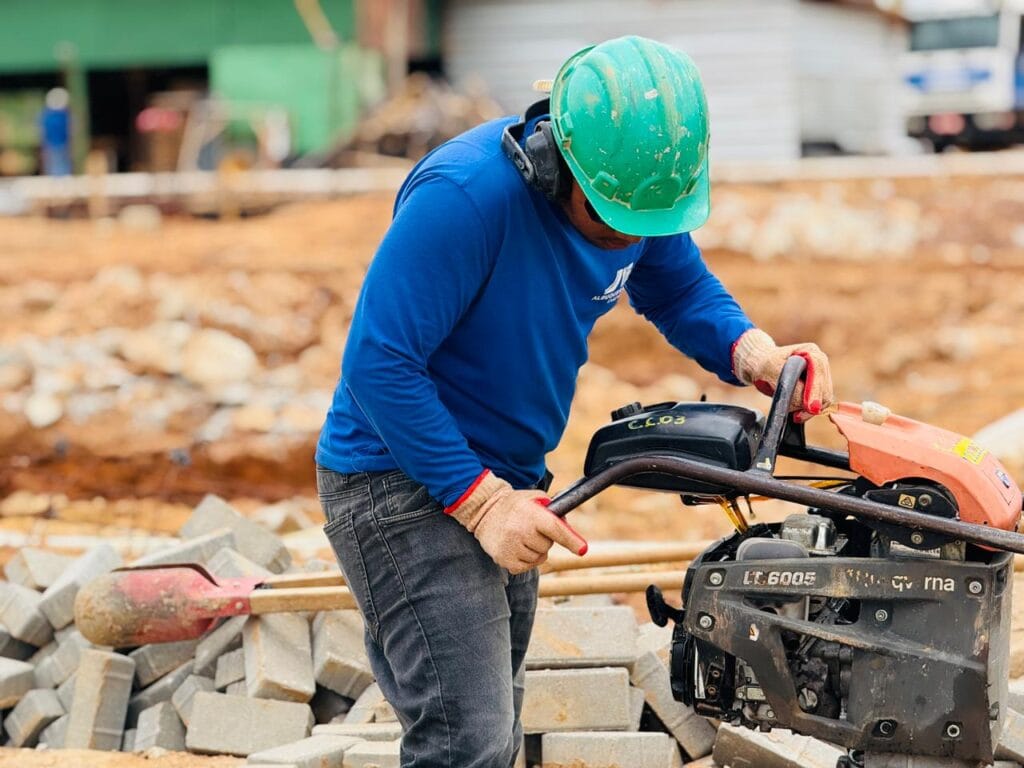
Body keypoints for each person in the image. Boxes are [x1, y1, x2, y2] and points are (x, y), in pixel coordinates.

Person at [316, 35, 833, 767]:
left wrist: (755, 354)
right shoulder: (463, 202)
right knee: (467, 740)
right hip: (398, 479)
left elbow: (678, 286)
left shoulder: (630, 189)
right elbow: (379, 362)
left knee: (484, 724)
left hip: (509, 478)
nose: (631, 236)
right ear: (557, 163)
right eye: (614, 217)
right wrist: (479, 503)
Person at [39, 88, 72, 177]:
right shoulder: (62, 115)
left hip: (59, 145)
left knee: (58, 166)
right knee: (57, 166)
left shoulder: (47, 115)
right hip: (56, 145)